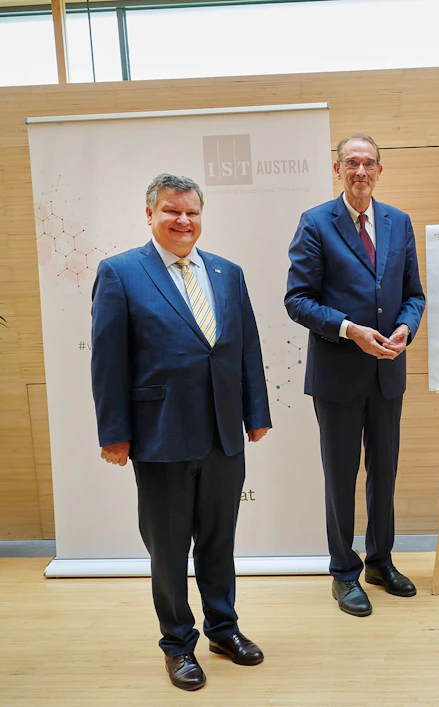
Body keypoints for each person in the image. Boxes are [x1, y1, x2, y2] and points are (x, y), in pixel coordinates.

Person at [91, 174, 271, 691]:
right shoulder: (120, 273)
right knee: (168, 549)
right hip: (161, 434)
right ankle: (177, 644)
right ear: (150, 214)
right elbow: (108, 361)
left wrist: (255, 413)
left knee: (219, 542)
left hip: (222, 434)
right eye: (172, 211)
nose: (183, 220)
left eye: (192, 212)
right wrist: (114, 432)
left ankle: (223, 629)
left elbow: (247, 348)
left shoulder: (227, 272)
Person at [285, 133, 425, 617]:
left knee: (384, 474)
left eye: (368, 163)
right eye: (351, 163)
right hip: (338, 375)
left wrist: (406, 326)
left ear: (380, 171)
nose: (360, 171)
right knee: (341, 477)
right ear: (338, 169)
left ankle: (380, 561)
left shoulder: (398, 222)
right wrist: (350, 330)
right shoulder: (315, 223)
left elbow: (414, 294)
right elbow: (297, 300)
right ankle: (344, 572)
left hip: (388, 372)